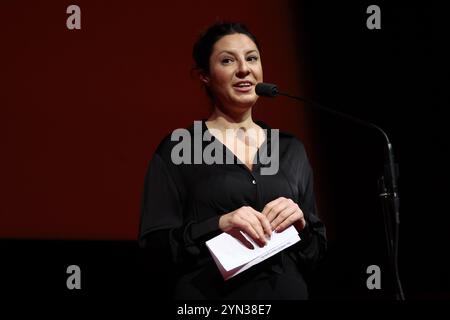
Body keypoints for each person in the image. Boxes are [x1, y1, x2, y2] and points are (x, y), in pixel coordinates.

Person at [138, 22, 326, 300]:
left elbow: (316, 252)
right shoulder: (178, 148)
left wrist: (302, 226)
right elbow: (154, 249)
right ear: (204, 76)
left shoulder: (290, 149)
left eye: (252, 58)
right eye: (227, 60)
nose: (244, 69)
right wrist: (218, 224)